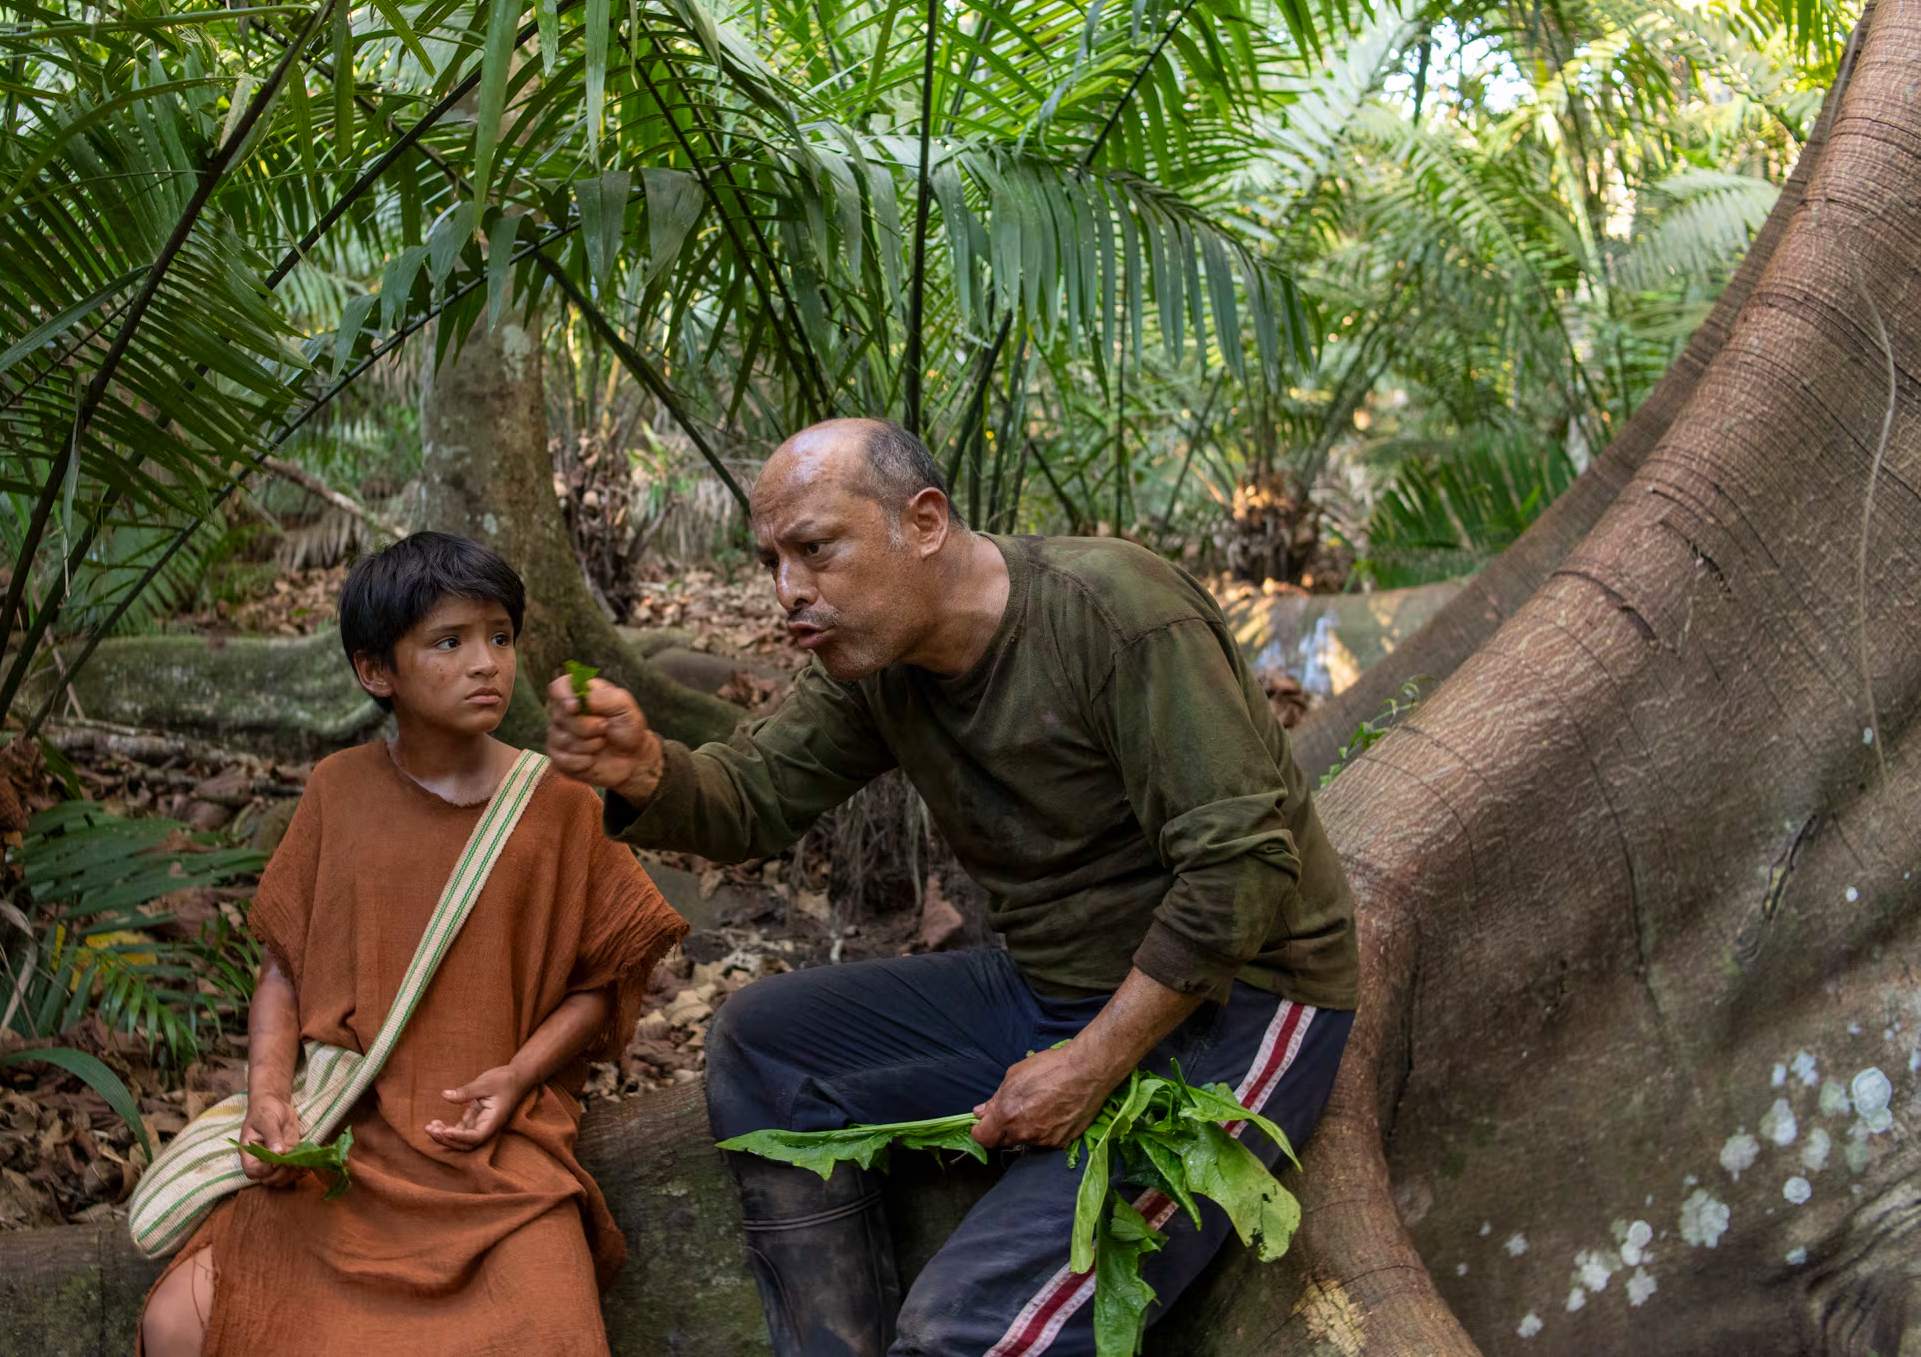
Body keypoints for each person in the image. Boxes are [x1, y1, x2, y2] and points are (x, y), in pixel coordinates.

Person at [545, 420, 1359, 1357]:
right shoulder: (877, 665)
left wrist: (1090, 1066)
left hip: (1242, 1006)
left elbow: (1242, 865)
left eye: (816, 550)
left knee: (962, 1329)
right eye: (774, 560)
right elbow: (757, 798)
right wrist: (644, 767)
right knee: (770, 1046)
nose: (788, 591)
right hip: (1053, 990)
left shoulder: (1115, 612)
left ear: (924, 522)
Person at [139, 531, 686, 1357]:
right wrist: (267, 1095)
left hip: (497, 1158)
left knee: (548, 1332)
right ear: (375, 671)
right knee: (180, 1320)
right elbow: (283, 970)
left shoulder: (564, 802)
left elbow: (600, 984)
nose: (487, 664)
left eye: (500, 637)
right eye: (450, 642)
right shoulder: (337, 790)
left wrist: (516, 1077)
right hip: (346, 1146)